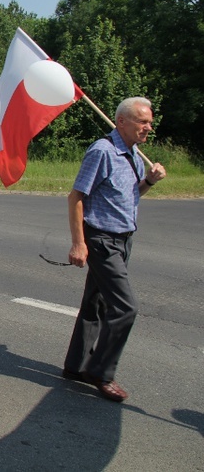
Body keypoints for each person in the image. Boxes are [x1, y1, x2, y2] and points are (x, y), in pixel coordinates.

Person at [62, 97, 166, 402]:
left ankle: (76, 366)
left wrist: (149, 180)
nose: (149, 127)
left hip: (123, 239)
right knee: (125, 308)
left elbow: (133, 194)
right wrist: (79, 242)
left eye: (149, 121)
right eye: (143, 121)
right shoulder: (102, 151)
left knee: (96, 303)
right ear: (122, 122)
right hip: (102, 240)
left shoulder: (133, 153)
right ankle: (101, 372)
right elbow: (76, 197)